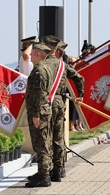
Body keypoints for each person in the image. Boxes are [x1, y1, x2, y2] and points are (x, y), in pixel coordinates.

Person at [41, 35, 85, 182]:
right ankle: (59, 170)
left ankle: (45, 171)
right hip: (60, 103)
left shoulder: (43, 65)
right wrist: (81, 95)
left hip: (47, 103)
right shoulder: (62, 65)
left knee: (46, 138)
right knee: (58, 138)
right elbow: (79, 78)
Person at [25, 42, 54, 187]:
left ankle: (44, 176)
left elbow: (40, 94)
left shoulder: (39, 71)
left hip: (39, 112)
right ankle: (42, 171)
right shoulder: (45, 68)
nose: (29, 55)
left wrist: (36, 114)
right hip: (42, 110)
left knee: (41, 143)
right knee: (42, 142)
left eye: (32, 52)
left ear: (38, 54)